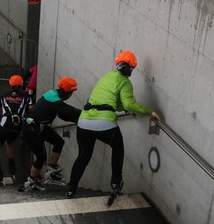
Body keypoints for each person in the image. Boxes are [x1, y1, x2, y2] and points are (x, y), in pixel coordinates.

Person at [67, 50, 161, 199]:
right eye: (132, 69)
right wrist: (148, 111)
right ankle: (116, 182)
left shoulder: (106, 77)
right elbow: (129, 103)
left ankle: (71, 189)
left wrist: (125, 108)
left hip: (84, 121)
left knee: (83, 157)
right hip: (104, 124)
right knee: (118, 147)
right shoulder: (125, 82)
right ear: (130, 69)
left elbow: (112, 103)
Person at [20, 77, 82, 191]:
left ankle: (51, 172)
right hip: (31, 128)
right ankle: (31, 181)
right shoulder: (55, 101)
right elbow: (68, 111)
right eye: (71, 92)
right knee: (41, 156)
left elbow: (63, 114)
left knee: (58, 142)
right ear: (67, 92)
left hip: (38, 126)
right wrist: (85, 115)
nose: (71, 95)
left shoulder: (53, 94)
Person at [0, 75, 34, 185]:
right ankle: (12, 165)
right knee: (9, 142)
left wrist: (4, 119)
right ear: (21, 85)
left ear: (10, 85)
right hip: (18, 126)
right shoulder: (27, 97)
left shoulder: (3, 96)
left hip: (5, 124)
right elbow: (32, 110)